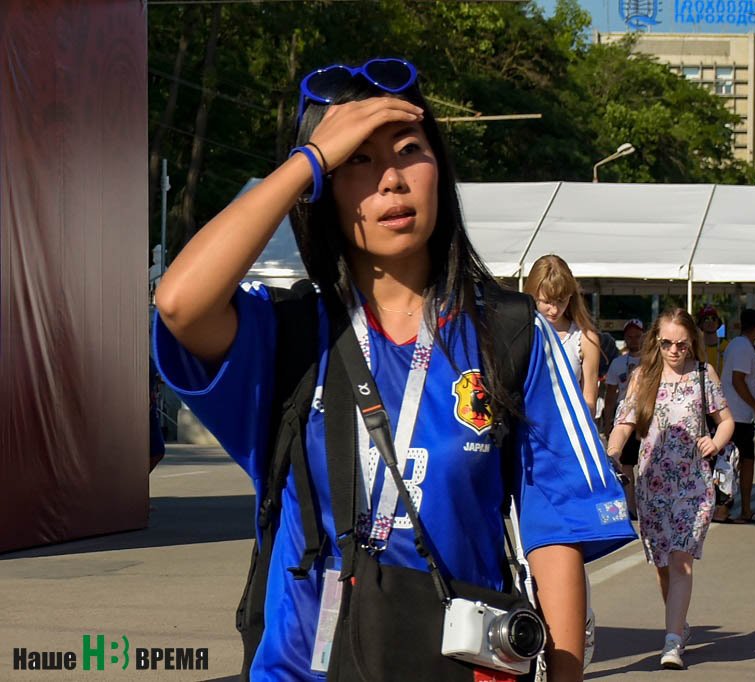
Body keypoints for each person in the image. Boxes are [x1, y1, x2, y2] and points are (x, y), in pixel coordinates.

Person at [152, 58, 635, 681]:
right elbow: (179, 303)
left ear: (440, 170)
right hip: (303, 668)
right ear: (324, 189)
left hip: (461, 667)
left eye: (409, 150)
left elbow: (557, 527)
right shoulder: (289, 334)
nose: (391, 180)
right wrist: (308, 160)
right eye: (357, 159)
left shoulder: (512, 333)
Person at [606, 309, 735, 670]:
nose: (675, 351)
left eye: (682, 344)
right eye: (667, 343)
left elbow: (726, 421)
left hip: (694, 484)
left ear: (692, 341)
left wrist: (715, 441)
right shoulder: (642, 376)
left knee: (681, 560)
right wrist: (612, 452)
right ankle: (679, 625)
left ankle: (672, 641)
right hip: (652, 484)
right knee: (663, 564)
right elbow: (624, 423)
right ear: (656, 341)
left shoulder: (703, 374)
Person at [524, 254, 602, 418]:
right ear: (532, 295)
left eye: (561, 301)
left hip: (566, 428)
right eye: (547, 301)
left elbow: (589, 401)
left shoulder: (585, 338)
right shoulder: (520, 332)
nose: (554, 310)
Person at [718, 308, 755, 523]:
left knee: (743, 461)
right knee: (736, 462)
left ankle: (742, 508)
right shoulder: (742, 347)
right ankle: (726, 508)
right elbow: (738, 380)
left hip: (739, 414)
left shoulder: (739, 345)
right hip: (736, 414)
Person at [601, 319, 645, 517]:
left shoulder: (653, 361)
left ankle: (645, 504)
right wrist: (608, 422)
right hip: (626, 414)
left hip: (647, 414)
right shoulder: (618, 363)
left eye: (637, 336)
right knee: (626, 463)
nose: (634, 340)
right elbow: (610, 396)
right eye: (630, 336)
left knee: (646, 461)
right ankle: (630, 506)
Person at [696, 304, 727, 374]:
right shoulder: (696, 347)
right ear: (701, 324)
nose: (710, 322)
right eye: (706, 319)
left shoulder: (727, 346)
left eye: (713, 319)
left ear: (718, 323)